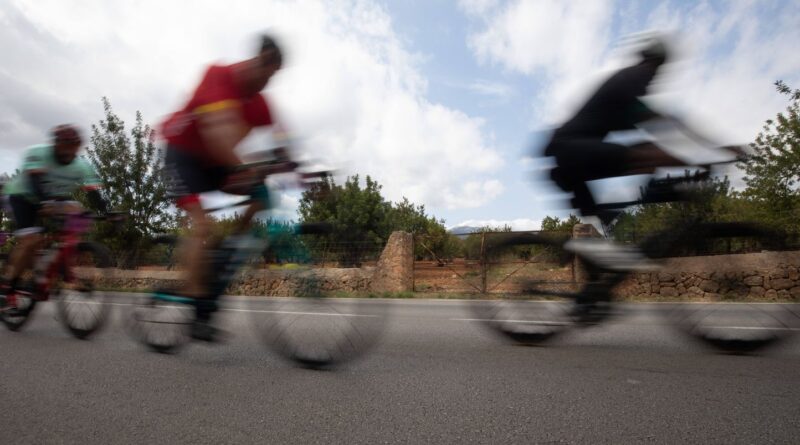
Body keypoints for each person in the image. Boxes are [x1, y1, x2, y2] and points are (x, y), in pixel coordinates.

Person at [543, 36, 739, 270]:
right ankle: (653, 197)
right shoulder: (631, 78)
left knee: (646, 158)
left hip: (569, 156)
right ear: (652, 63)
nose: (655, 78)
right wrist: (709, 156)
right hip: (570, 150)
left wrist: (709, 153)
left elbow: (669, 124)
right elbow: (668, 124)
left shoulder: (629, 85)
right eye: (657, 70)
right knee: (649, 155)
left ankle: (595, 272)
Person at [160, 34, 291, 342]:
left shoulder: (260, 104)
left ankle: (227, 249)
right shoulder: (218, 76)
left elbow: (282, 140)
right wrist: (250, 169)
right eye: (266, 70)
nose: (267, 81)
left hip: (213, 164)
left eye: (273, 75)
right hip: (181, 157)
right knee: (202, 226)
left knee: (261, 194)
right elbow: (219, 137)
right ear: (257, 60)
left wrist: (301, 170)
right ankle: (196, 302)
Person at [0, 124, 108, 309]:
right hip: (22, 196)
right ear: (55, 144)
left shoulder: (82, 166)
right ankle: (6, 287)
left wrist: (107, 212)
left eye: (73, 147)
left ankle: (59, 268)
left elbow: (93, 193)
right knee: (31, 241)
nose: (68, 151)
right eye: (64, 146)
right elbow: (34, 182)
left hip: (54, 198)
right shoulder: (38, 153)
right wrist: (45, 203)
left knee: (78, 214)